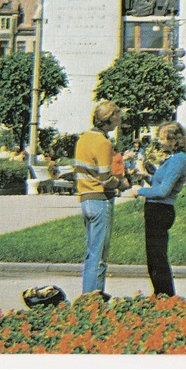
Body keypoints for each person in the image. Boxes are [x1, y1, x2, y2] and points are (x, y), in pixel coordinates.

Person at [73, 100, 126, 298]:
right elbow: (106, 178)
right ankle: (93, 299)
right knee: (99, 255)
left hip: (85, 198)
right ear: (110, 119)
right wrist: (122, 184)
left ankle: (88, 295)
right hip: (101, 200)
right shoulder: (103, 143)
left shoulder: (84, 138)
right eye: (117, 119)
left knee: (91, 252)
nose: (118, 123)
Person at [135, 121, 186, 298]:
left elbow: (163, 191)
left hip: (160, 210)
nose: (159, 141)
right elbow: (160, 183)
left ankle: (165, 296)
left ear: (174, 141)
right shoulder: (173, 159)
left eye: (162, 138)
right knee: (154, 258)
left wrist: (138, 191)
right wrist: (147, 177)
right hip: (156, 209)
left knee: (158, 258)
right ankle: (160, 294)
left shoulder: (179, 160)